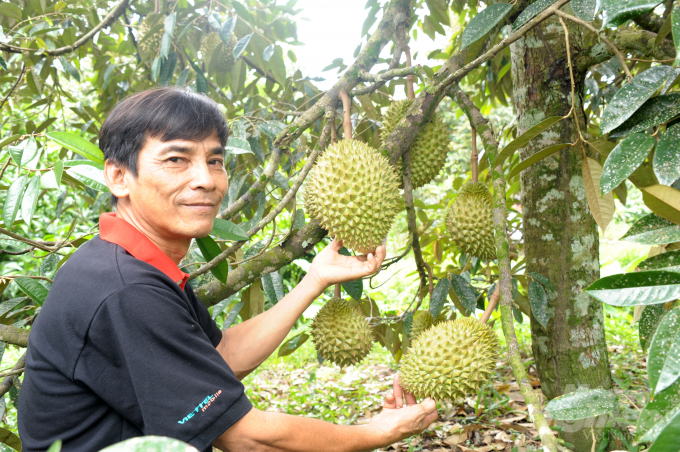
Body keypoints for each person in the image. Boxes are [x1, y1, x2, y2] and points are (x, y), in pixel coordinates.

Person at [17, 87, 437, 451]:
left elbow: (221, 358)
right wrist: (376, 432)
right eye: (177, 159)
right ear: (118, 176)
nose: (206, 180)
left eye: (215, 161)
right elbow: (246, 438)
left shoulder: (130, 263)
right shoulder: (125, 291)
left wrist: (315, 279)